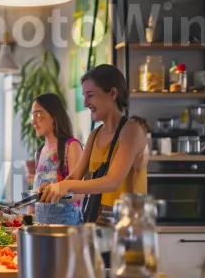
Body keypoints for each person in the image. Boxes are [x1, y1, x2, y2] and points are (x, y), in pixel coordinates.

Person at [39, 64, 148, 223]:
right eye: (84, 96)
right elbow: (75, 182)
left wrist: (65, 187)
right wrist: (52, 190)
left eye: (90, 95)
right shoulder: (94, 135)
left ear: (112, 93)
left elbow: (112, 182)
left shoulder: (132, 131)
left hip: (129, 227)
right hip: (99, 223)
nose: (85, 103)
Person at [29, 93, 84, 225]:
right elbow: (34, 200)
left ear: (53, 115)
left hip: (66, 229)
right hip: (40, 228)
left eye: (38, 114)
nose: (33, 121)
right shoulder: (39, 152)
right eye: (32, 115)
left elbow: (79, 194)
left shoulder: (71, 146)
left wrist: (54, 192)